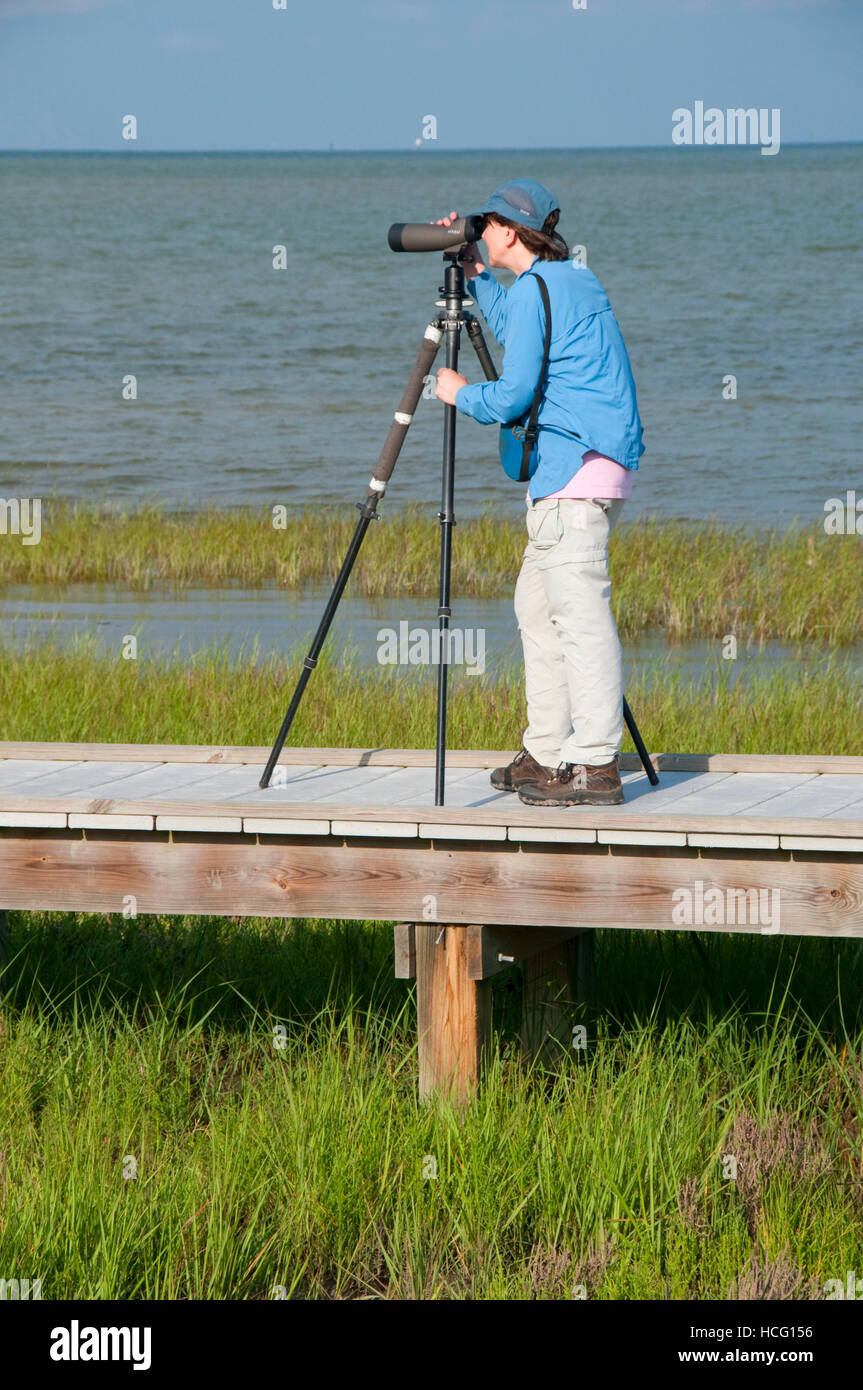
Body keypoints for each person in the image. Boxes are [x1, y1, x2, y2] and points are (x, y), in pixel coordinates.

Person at [434, 179, 644, 806]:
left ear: (508, 228)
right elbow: (525, 327)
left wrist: (457, 394)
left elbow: (515, 394)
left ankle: (595, 765)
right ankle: (548, 750)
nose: (478, 231)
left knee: (579, 619)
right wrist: (475, 278)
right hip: (587, 466)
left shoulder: (540, 291)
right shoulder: (566, 281)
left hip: (573, 474)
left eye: (483, 223)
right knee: (537, 608)